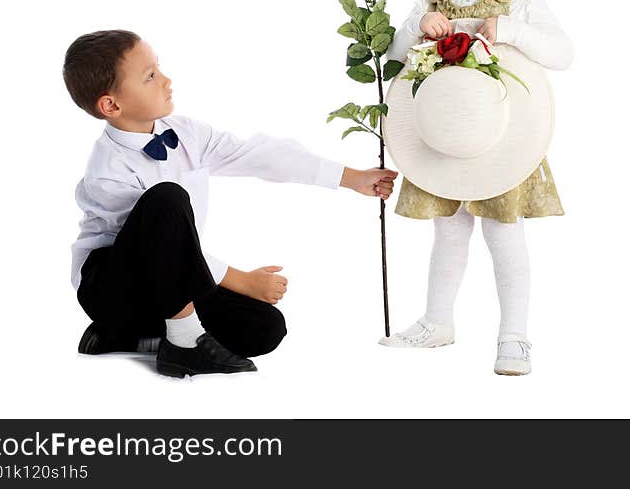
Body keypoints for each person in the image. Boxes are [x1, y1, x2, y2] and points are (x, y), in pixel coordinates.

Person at [63, 30, 397, 377]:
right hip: (114, 289)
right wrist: (243, 281)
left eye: (158, 68)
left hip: (167, 284)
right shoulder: (107, 172)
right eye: (150, 77)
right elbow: (160, 248)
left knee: (264, 328)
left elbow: (260, 155)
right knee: (166, 197)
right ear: (112, 105)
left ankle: (133, 338)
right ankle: (181, 344)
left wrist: (351, 177)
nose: (166, 80)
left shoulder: (186, 133)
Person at [380, 0, 573, 375]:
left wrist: (508, 30)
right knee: (448, 231)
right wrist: (417, 29)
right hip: (442, 140)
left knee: (503, 236)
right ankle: (437, 321)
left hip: (500, 140)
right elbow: (396, 59)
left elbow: (562, 53)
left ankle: (514, 336)